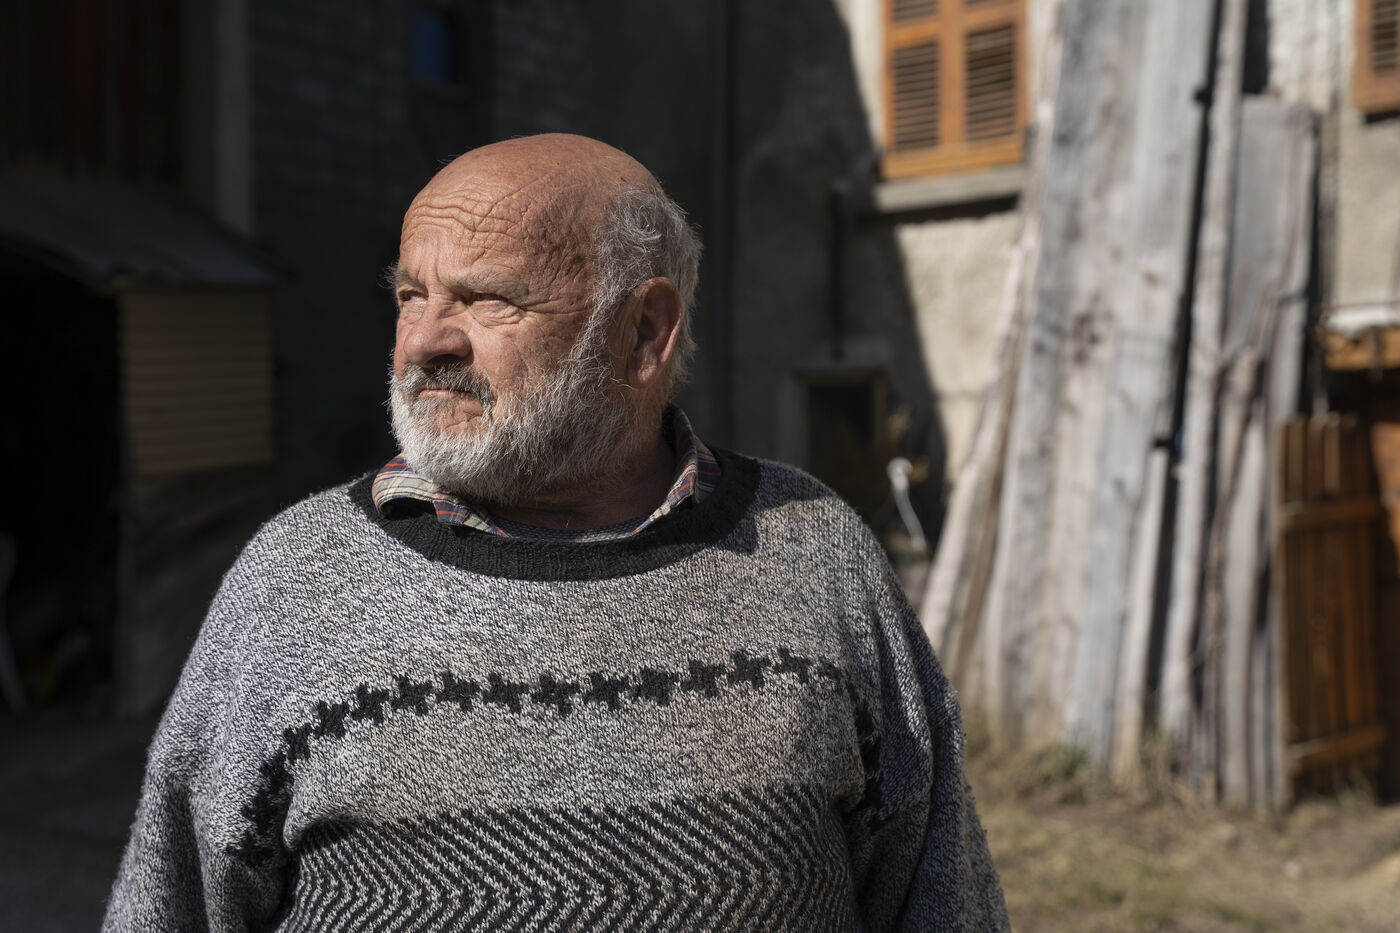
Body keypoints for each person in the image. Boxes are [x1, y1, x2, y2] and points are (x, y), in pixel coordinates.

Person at [103, 134, 1008, 931]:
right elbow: (168, 905)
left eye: (486, 299)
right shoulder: (297, 578)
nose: (425, 342)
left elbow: (942, 903)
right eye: (411, 295)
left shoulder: (815, 555)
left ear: (644, 331)